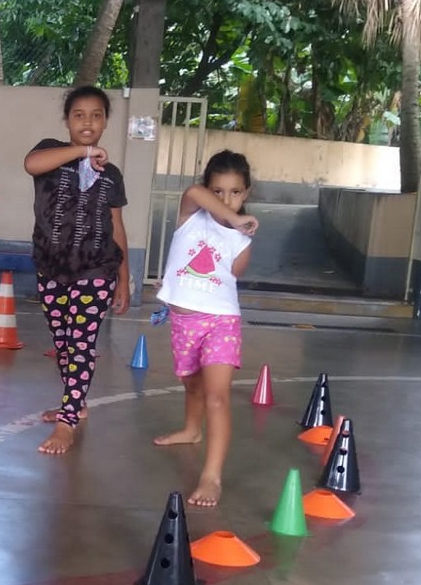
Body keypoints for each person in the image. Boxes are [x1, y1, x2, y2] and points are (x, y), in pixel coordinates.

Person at [23, 86, 131, 455]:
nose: (88, 122)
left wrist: (124, 279)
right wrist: (83, 153)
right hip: (51, 268)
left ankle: (67, 421)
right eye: (79, 115)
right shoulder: (52, 153)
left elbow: (117, 227)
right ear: (67, 121)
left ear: (105, 122)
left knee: (82, 342)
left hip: (95, 269)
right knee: (63, 343)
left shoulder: (112, 174)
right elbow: (31, 164)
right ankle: (77, 403)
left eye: (96, 115)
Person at [153, 150, 260, 508]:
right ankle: (191, 429)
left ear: (246, 193)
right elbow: (193, 193)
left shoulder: (242, 241)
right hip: (183, 321)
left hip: (221, 322)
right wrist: (234, 217)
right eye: (218, 191)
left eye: (235, 192)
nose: (226, 200)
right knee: (192, 384)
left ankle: (211, 476)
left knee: (216, 396)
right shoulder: (190, 216)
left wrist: (237, 228)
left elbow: (230, 277)